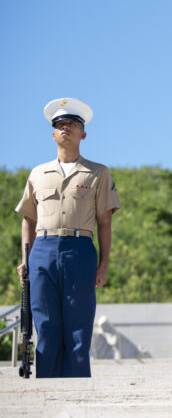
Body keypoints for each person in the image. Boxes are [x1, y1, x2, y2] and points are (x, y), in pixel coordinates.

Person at [15, 97, 120, 378]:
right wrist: (25, 258)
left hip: (79, 249)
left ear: (83, 133)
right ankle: (47, 389)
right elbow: (29, 220)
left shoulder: (97, 173)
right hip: (42, 250)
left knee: (78, 329)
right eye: (60, 125)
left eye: (72, 124)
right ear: (53, 134)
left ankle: (78, 392)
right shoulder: (38, 173)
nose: (65, 128)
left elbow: (104, 222)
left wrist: (103, 265)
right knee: (46, 327)